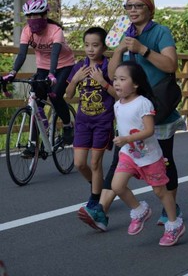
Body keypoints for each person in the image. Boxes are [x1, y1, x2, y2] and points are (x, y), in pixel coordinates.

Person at [83, 0, 185, 232]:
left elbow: (171, 65)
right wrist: (118, 49)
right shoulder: (124, 32)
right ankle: (101, 211)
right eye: (129, 6)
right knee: (122, 157)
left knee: (165, 160)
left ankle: (170, 208)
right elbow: (112, 74)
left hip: (158, 106)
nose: (133, 10)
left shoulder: (160, 32)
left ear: (150, 9)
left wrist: (143, 50)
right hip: (131, 107)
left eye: (138, 6)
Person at [110, 61, 185, 246]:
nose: (117, 83)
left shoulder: (143, 103)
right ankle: (139, 210)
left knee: (160, 191)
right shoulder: (117, 104)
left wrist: (127, 139)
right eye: (115, 79)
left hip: (149, 156)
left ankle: (174, 225)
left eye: (122, 79)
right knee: (117, 186)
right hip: (129, 154)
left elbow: (150, 130)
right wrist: (124, 142)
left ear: (135, 84)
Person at [2, 0, 75, 157]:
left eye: (36, 15)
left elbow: (55, 54)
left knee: (55, 94)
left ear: (44, 15)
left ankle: (68, 126)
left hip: (63, 65)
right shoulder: (27, 31)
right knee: (36, 104)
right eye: (29, 16)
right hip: (42, 66)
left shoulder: (55, 30)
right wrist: (12, 72)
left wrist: (52, 74)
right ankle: (33, 144)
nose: (32, 19)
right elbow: (21, 55)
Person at [66, 28, 116, 229]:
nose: (90, 49)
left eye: (95, 45)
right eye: (87, 45)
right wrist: (76, 79)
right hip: (83, 122)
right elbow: (68, 96)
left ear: (104, 47)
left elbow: (118, 94)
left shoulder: (109, 67)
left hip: (103, 121)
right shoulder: (80, 66)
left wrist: (103, 82)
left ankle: (95, 202)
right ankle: (97, 187)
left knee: (95, 163)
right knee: (79, 164)